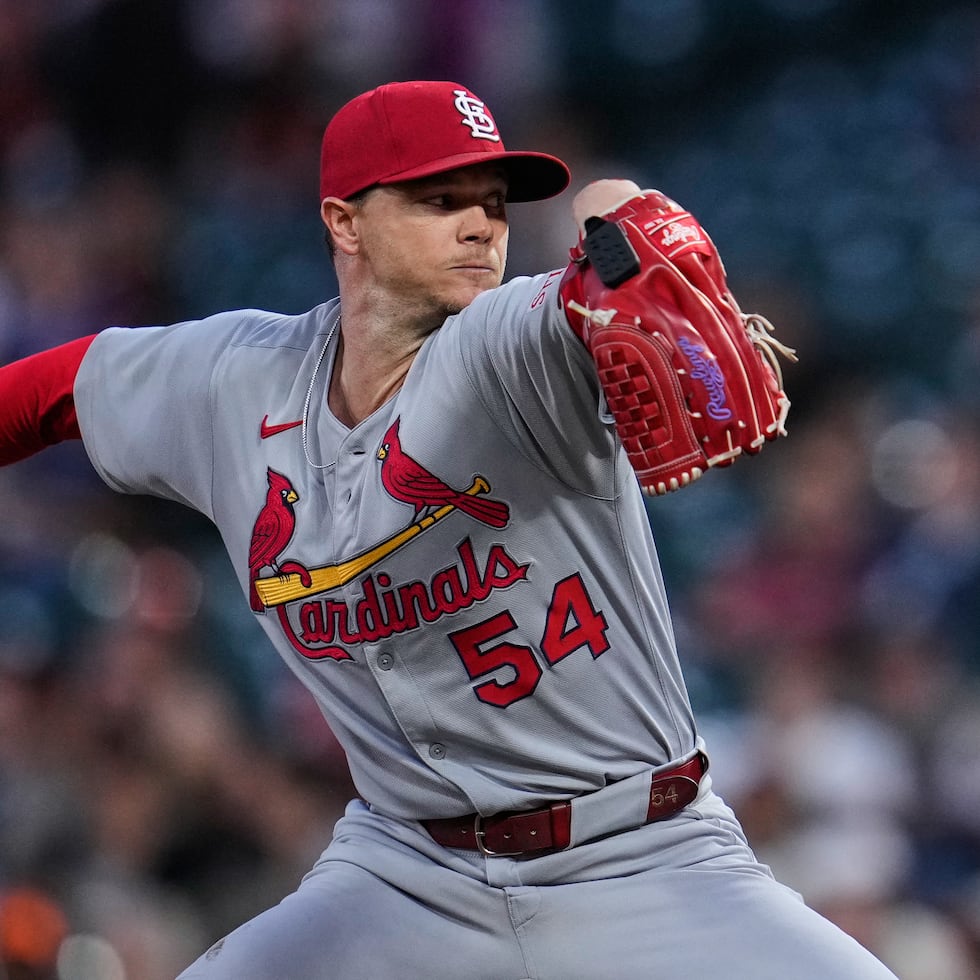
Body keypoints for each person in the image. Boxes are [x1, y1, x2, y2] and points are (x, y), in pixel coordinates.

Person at [0, 80, 897, 979]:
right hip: (405, 876)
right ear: (344, 223)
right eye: (440, 200)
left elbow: (602, 252)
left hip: (641, 855)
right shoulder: (232, 380)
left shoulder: (507, 342)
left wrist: (619, 223)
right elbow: (43, 396)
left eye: (495, 204)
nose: (481, 227)